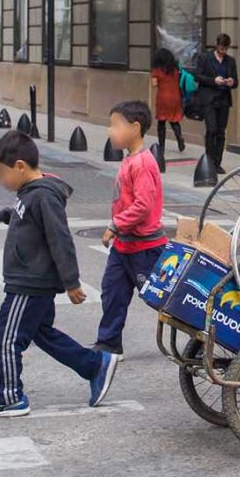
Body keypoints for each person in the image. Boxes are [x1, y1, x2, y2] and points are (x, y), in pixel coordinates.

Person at [0, 131, 120, 418]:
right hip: (29, 281)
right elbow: (23, 214)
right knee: (43, 334)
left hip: (29, 284)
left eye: (1, 174)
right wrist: (1, 215)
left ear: (19, 167)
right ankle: (94, 365)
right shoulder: (30, 193)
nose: (0, 181)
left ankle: (8, 397)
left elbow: (60, 239)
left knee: (6, 340)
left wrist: (72, 282)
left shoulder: (44, 196)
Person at [95, 100, 167, 359]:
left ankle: (202, 335)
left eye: (116, 125)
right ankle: (109, 344)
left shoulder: (143, 163)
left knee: (163, 298)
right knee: (112, 292)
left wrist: (115, 225)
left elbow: (143, 206)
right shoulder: (130, 160)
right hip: (124, 246)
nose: (110, 131)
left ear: (135, 128)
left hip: (145, 248)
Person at [194, 33, 237, 174]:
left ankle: (217, 163)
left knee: (221, 132)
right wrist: (213, 80)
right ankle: (209, 160)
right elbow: (197, 76)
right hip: (209, 99)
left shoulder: (230, 61)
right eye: (221, 48)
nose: (223, 51)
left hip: (223, 100)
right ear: (217, 45)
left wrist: (231, 82)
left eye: (225, 49)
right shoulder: (205, 58)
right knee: (211, 129)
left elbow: (236, 82)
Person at [150, 48, 186, 153]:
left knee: (161, 121)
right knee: (174, 120)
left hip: (163, 98)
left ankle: (161, 146)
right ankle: (179, 137)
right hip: (176, 97)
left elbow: (154, 84)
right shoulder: (175, 69)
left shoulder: (157, 70)